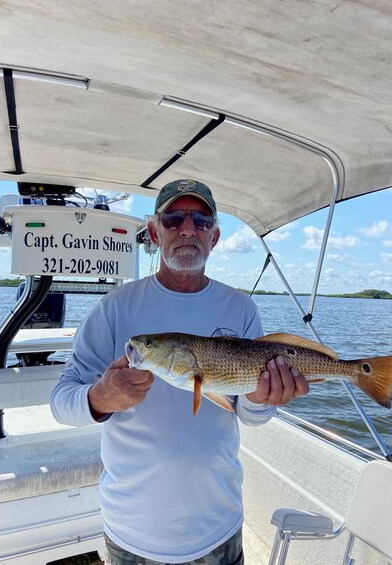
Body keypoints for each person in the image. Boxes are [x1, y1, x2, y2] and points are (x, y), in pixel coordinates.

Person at [51, 179, 309, 565]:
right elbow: (60, 401)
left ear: (215, 237)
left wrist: (260, 399)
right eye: (173, 219)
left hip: (218, 525)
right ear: (155, 232)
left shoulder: (240, 308)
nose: (188, 229)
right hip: (133, 531)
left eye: (201, 221)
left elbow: (249, 414)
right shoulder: (115, 308)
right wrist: (99, 397)